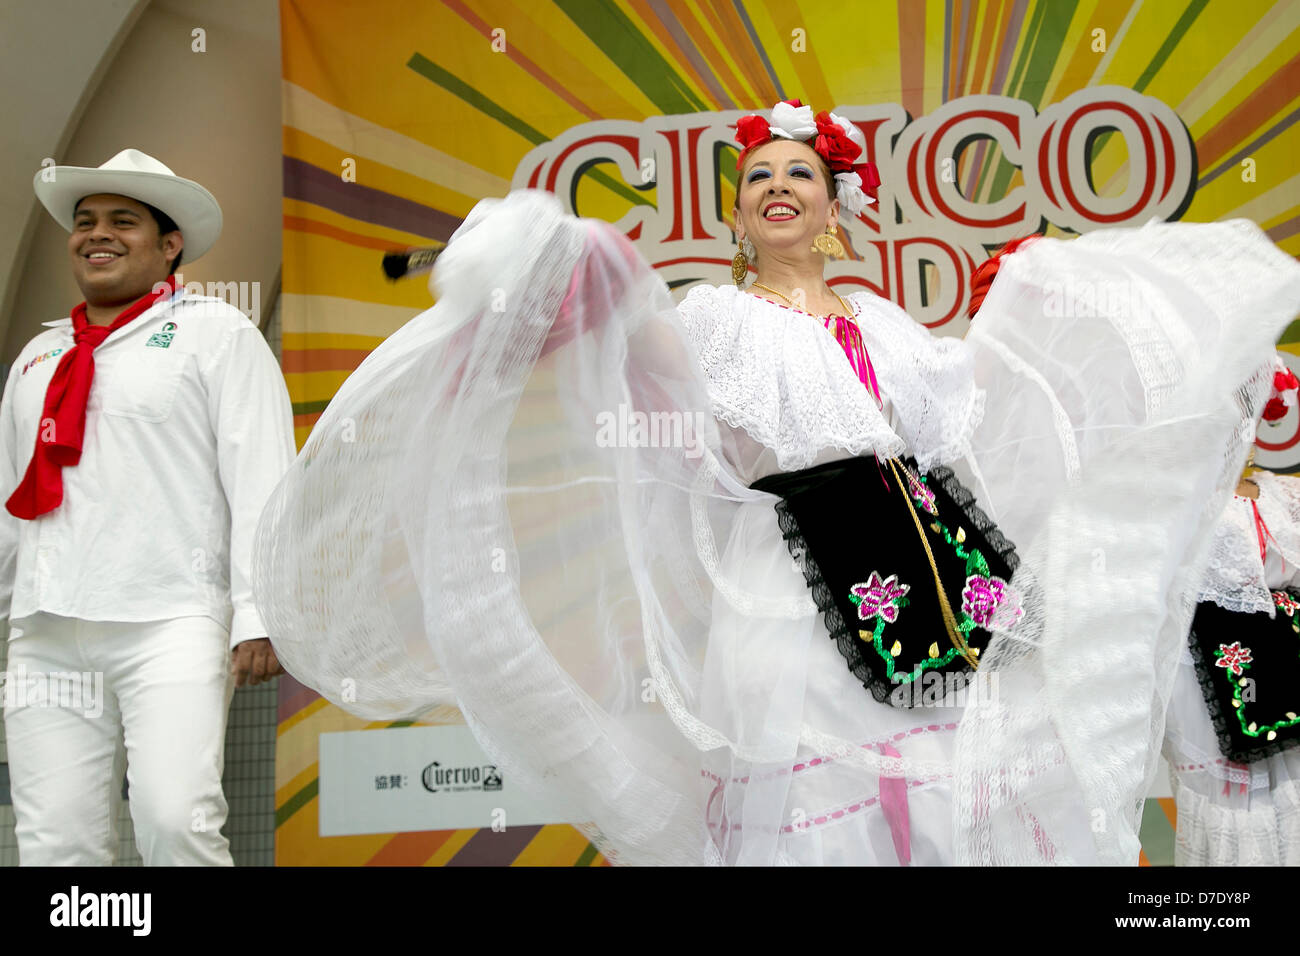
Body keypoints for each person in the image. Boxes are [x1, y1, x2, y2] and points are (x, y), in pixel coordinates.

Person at [252, 101, 1300, 865]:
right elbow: (644, 357)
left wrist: (1054, 315)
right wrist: (577, 271)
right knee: (823, 780)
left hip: (931, 570)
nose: (780, 188)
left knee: (954, 779)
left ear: (835, 204)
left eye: (800, 173)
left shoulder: (888, 324)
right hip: (794, 577)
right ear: (741, 216)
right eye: (760, 179)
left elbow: (970, 428)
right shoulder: (709, 318)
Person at [0, 149, 296, 864]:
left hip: (170, 619)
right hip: (46, 628)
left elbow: (263, 477)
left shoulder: (216, 333)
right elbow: (14, 504)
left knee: (174, 821)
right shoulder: (39, 356)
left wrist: (261, 613)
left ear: (169, 246)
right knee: (52, 843)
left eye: (122, 221)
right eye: (85, 221)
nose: (96, 234)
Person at [1162, 364, 1300, 865]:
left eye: (1250, 404)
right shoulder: (1177, 513)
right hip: (1210, 682)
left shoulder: (1285, 495)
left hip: (1286, 671)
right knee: (1234, 810)